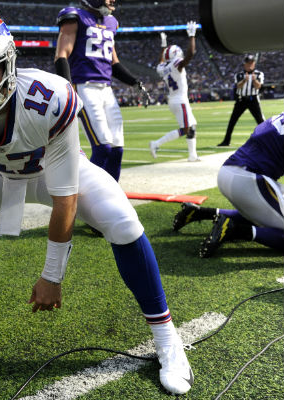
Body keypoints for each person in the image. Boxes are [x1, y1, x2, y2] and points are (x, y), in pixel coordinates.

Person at [0, 9, 192, 395]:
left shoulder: (50, 97)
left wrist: (52, 276)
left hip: (54, 171)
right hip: (0, 174)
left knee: (124, 223)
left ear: (9, 62)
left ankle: (167, 338)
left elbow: (66, 197)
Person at [54, 0, 148, 182]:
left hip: (106, 89)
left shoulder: (111, 22)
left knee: (116, 149)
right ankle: (84, 196)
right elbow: (61, 55)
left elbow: (114, 63)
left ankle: (111, 197)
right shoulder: (76, 17)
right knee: (102, 146)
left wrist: (135, 82)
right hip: (84, 87)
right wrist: (68, 89)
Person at [173, 112, 284, 257]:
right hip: (249, 181)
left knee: (264, 214)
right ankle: (234, 230)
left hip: (230, 174)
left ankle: (200, 213)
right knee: (273, 221)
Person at [149, 24, 200, 162]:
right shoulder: (177, 64)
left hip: (175, 99)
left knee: (191, 127)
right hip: (180, 100)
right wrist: (191, 36)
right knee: (185, 129)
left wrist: (163, 45)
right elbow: (190, 54)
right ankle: (156, 144)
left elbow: (161, 60)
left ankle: (192, 155)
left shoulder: (162, 67)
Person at [218, 54, 264, 146]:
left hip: (253, 99)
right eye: (248, 63)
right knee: (232, 121)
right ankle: (226, 141)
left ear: (254, 63)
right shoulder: (239, 75)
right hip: (241, 100)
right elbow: (238, 86)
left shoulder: (259, 74)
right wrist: (244, 80)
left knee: (261, 121)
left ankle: (266, 140)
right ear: (244, 64)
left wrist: (254, 80)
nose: (250, 65)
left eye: (251, 63)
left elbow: (259, 86)